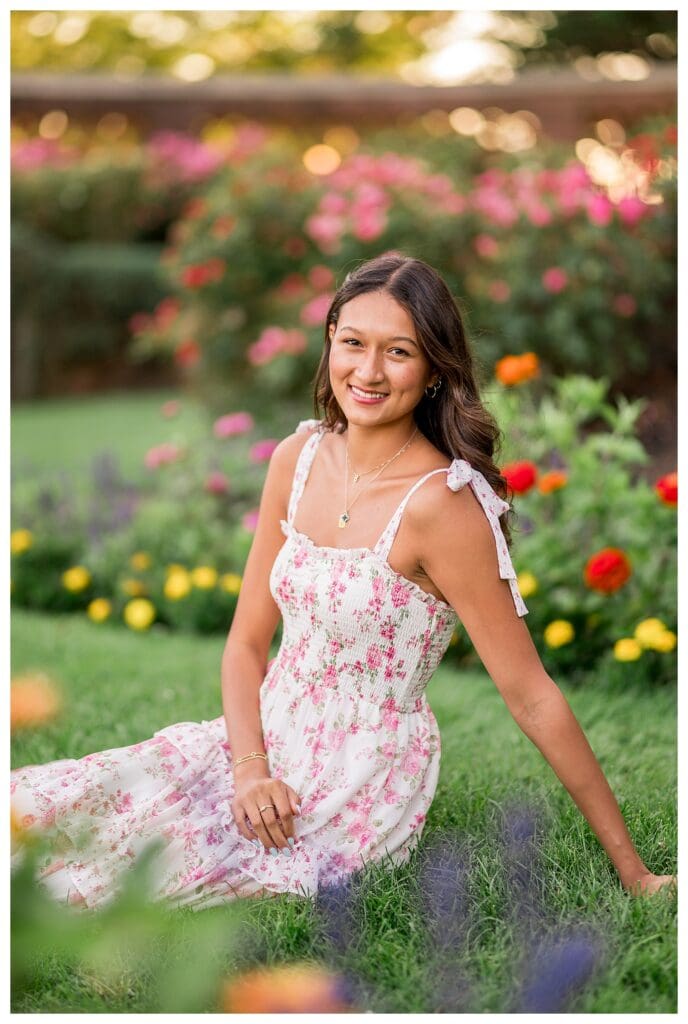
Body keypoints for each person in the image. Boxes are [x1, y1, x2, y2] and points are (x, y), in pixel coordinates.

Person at [11, 253, 676, 911]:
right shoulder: (296, 459)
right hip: (262, 739)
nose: (368, 371)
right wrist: (250, 769)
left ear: (435, 370)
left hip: (358, 778)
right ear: (330, 338)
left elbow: (532, 697)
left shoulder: (443, 506)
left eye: (399, 353)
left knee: (109, 885)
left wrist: (635, 872)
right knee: (46, 808)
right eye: (353, 343)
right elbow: (246, 645)